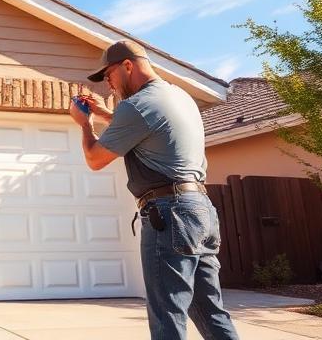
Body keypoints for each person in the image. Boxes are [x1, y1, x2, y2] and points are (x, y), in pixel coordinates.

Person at [68, 40, 239, 340]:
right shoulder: (179, 96)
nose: (108, 84)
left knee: (166, 314)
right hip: (201, 211)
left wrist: (85, 124)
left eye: (108, 74)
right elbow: (151, 127)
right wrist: (108, 115)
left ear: (128, 66)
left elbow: (95, 159)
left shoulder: (136, 106)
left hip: (170, 214)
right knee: (210, 311)